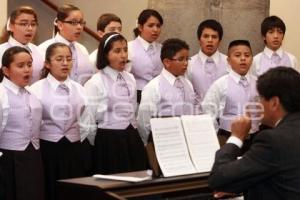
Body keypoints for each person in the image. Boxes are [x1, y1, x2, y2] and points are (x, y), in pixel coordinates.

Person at [209, 67, 300, 200]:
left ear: (274, 103)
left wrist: (236, 137)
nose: (258, 104)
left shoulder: (272, 140)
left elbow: (218, 179)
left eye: (260, 98)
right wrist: (243, 186)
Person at [81, 32, 147, 174]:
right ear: (105, 54)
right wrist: (99, 144)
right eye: (117, 51)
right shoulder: (96, 82)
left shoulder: (130, 78)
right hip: (109, 141)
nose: (123, 55)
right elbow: (88, 121)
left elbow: (133, 110)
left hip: (131, 138)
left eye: (125, 50)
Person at [0, 46, 44, 200]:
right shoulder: (1, 94)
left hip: (33, 157)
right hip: (8, 160)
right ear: (6, 70)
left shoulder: (32, 93)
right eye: (20, 66)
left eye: (30, 65)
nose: (27, 70)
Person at [138, 38, 197, 145]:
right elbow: (144, 122)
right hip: (163, 141)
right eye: (181, 59)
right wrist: (148, 143)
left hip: (186, 140)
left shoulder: (188, 84)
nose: (185, 63)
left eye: (187, 59)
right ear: (167, 62)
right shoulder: (154, 87)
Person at [202, 40, 259, 146]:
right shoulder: (220, 84)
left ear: (252, 59)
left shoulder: (259, 83)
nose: (243, 58)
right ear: (228, 60)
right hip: (227, 138)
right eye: (237, 55)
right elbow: (208, 112)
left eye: (247, 55)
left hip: (254, 138)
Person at [38, 4, 93, 85]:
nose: (79, 27)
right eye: (74, 22)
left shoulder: (82, 49)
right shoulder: (44, 48)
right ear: (60, 25)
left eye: (81, 22)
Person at [186, 19, 228, 104]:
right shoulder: (188, 64)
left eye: (214, 37)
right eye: (205, 36)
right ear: (199, 39)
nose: (210, 40)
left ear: (220, 41)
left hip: (224, 115)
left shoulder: (229, 63)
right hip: (197, 114)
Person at [0, 6, 44, 84]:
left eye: (33, 24)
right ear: (11, 26)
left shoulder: (40, 51)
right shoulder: (1, 51)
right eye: (23, 24)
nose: (30, 28)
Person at [128, 9, 164, 103]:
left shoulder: (163, 49)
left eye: (158, 26)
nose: (155, 30)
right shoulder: (128, 48)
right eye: (150, 25)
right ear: (140, 27)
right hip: (136, 96)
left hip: (159, 97)